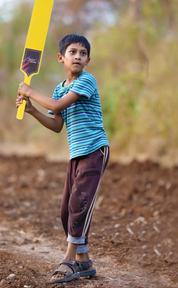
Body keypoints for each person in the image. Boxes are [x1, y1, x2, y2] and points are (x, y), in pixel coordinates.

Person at [16, 34, 110, 283]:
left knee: (79, 204)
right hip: (76, 154)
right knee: (66, 211)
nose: (77, 56)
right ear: (61, 57)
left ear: (88, 60)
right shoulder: (60, 88)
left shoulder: (87, 81)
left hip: (94, 151)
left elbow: (57, 107)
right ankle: (84, 262)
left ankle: (68, 260)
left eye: (82, 53)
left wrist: (30, 91)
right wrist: (32, 110)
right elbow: (56, 124)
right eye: (72, 52)